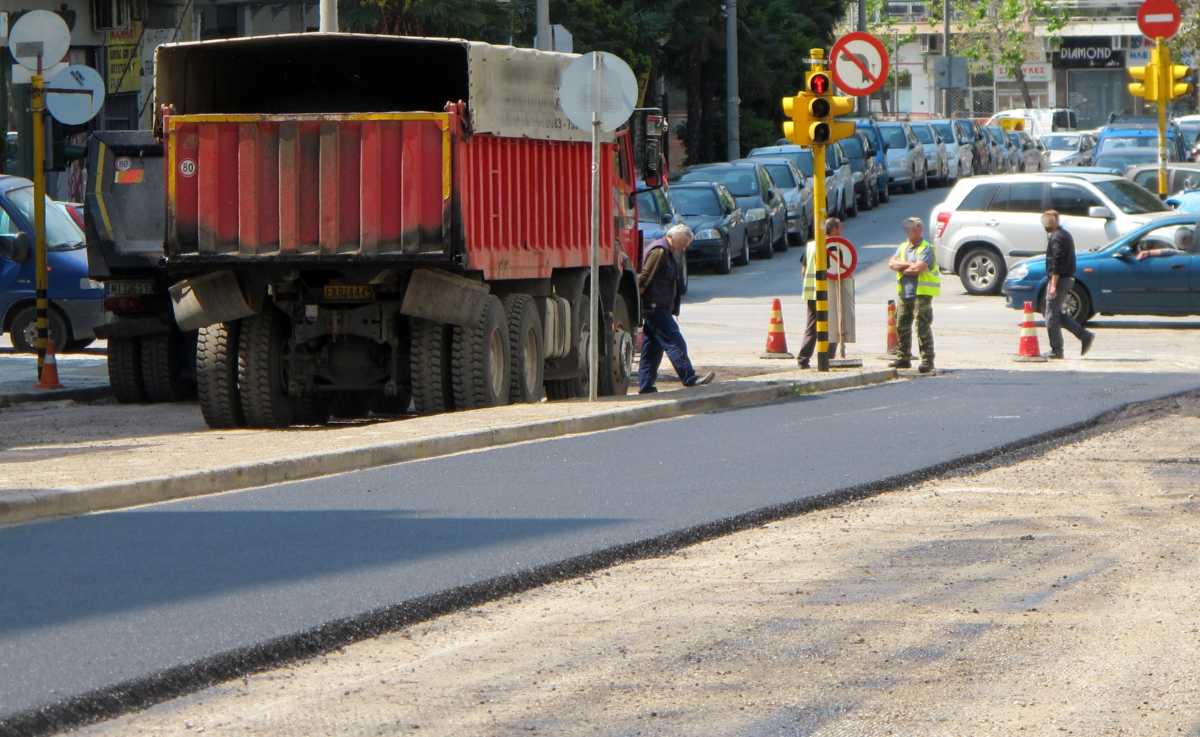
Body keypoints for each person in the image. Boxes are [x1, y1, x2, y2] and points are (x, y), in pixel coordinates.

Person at [637, 223, 715, 394]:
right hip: (655, 307)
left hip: (659, 306)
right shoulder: (660, 252)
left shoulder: (668, 251)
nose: (686, 247)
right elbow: (644, 278)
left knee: (652, 349)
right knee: (675, 341)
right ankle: (689, 377)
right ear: (676, 238)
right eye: (685, 243)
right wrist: (640, 304)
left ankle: (645, 386)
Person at [887, 217, 939, 373]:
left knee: (922, 326)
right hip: (905, 292)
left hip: (921, 293)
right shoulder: (903, 247)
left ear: (919, 230)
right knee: (901, 325)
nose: (908, 232)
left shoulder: (926, 248)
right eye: (907, 229)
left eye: (911, 229)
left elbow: (919, 268)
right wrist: (909, 265)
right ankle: (903, 358)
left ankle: (927, 360)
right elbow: (891, 263)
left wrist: (903, 267)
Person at [1042, 209, 1095, 359]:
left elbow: (1057, 262)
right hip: (1066, 278)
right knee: (1056, 313)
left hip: (1060, 280)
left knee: (1051, 316)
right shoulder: (1063, 234)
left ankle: (1057, 350)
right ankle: (1084, 335)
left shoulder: (1057, 237)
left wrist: (1053, 284)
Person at [797, 217, 842, 368]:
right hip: (825, 291)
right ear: (833, 230)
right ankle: (827, 358)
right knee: (832, 325)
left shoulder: (810, 245)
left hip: (810, 292)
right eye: (839, 229)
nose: (841, 232)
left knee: (812, 327)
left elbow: (803, 270)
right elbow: (837, 270)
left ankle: (803, 359)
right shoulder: (831, 246)